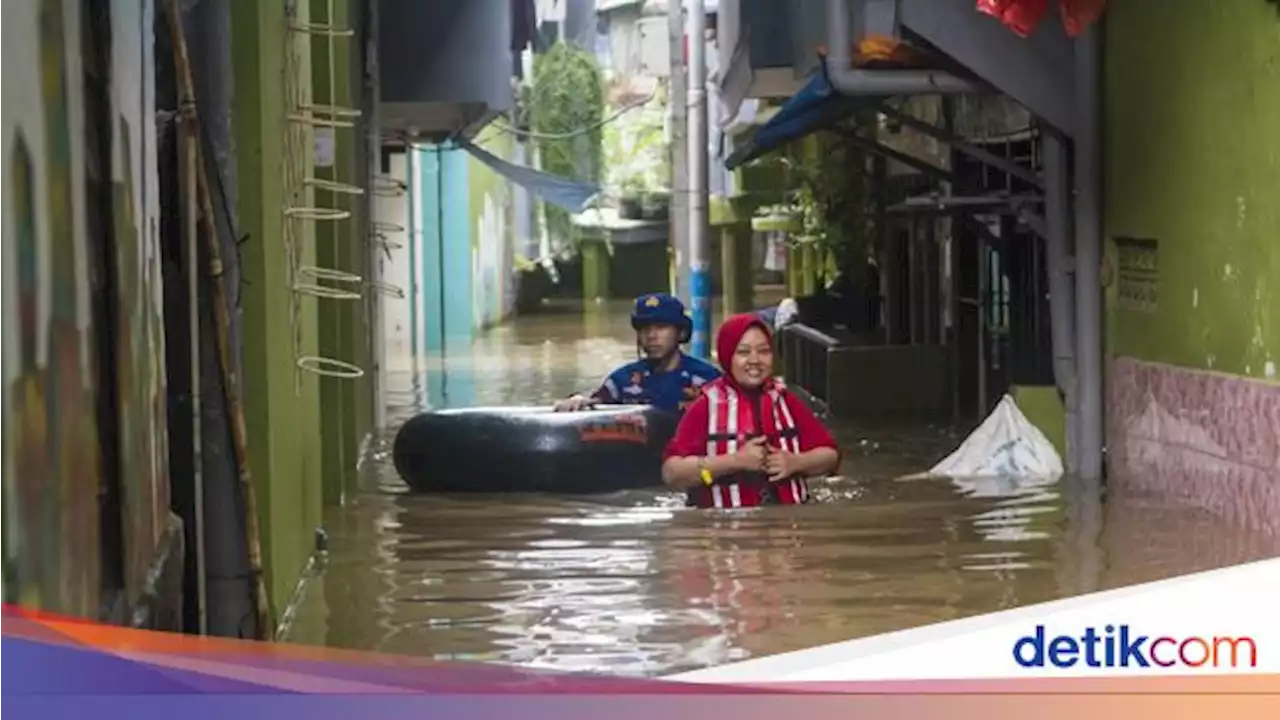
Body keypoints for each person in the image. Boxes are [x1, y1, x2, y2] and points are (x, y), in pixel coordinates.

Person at [660, 313, 841, 509]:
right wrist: (734, 461)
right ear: (728, 356)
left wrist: (796, 462)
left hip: (787, 523)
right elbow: (672, 473)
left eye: (763, 351)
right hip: (724, 527)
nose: (755, 360)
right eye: (743, 352)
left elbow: (830, 456)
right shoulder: (704, 407)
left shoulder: (786, 401)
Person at [553, 292, 721, 414]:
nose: (652, 336)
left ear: (681, 333)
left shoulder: (707, 379)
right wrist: (577, 401)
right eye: (645, 328)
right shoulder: (622, 380)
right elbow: (595, 403)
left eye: (661, 327)